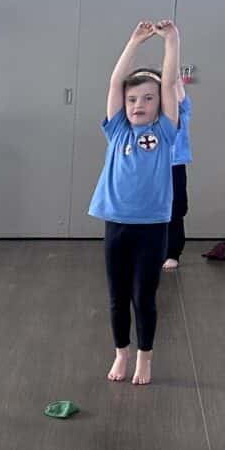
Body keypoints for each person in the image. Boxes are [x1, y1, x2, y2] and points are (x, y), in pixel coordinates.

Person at [88, 19, 181, 386]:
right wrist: (134, 42)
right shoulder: (117, 131)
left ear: (159, 105)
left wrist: (171, 41)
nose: (138, 104)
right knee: (117, 297)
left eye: (147, 98)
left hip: (153, 227)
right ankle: (121, 353)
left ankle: (145, 357)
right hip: (118, 223)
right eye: (132, 100)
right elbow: (115, 83)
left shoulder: (165, 132)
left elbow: (169, 83)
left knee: (144, 296)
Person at [163, 76, 191, 270]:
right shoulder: (153, 114)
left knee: (176, 208)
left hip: (175, 166)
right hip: (152, 166)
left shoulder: (182, 111)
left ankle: (173, 252)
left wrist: (174, 78)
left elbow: (179, 95)